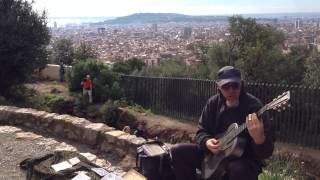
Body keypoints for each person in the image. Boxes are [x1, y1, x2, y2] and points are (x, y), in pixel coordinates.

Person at [171, 66, 275, 180]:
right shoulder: (213, 103)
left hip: (244, 161)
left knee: (238, 169)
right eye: (226, 86)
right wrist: (206, 142)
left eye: (235, 85)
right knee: (178, 150)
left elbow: (266, 152)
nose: (231, 90)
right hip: (213, 156)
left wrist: (259, 139)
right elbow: (201, 131)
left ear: (242, 84)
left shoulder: (254, 107)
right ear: (218, 87)